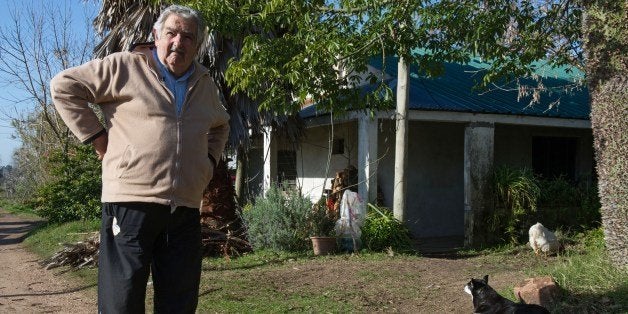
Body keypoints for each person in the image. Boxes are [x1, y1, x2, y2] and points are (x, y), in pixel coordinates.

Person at [50, 5, 229, 313]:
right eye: (171, 33)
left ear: (197, 45)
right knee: (122, 302)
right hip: (130, 204)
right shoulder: (125, 67)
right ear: (156, 35)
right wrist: (97, 138)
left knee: (179, 303)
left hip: (184, 208)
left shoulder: (204, 83)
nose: (178, 42)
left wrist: (208, 163)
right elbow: (64, 87)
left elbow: (221, 124)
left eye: (188, 36)